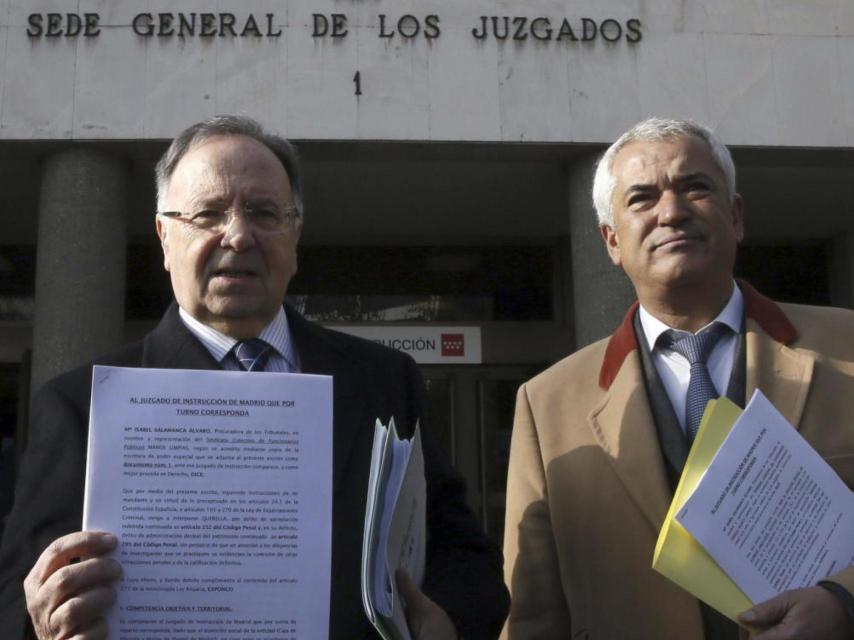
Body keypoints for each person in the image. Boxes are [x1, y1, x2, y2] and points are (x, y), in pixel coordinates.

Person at [0, 115, 509, 640]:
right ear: (164, 236)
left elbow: (462, 554)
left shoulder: (383, 381)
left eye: (264, 213)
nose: (238, 236)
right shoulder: (80, 406)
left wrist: (446, 619)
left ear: (295, 236)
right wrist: (41, 618)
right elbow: (14, 594)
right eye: (208, 214)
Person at [502, 117, 854, 639]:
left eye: (695, 187)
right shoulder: (547, 402)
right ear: (611, 242)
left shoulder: (846, 348)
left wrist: (844, 603)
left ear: (735, 217)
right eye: (641, 198)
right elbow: (533, 613)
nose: (671, 211)